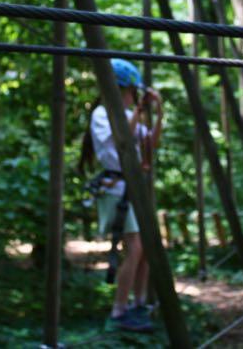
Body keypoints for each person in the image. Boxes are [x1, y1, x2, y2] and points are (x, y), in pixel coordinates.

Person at [89, 58, 163, 332]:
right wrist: (139, 110)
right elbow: (122, 139)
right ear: (122, 90)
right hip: (116, 188)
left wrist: (158, 113)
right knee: (134, 248)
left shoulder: (127, 113)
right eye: (133, 92)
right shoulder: (102, 113)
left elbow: (150, 143)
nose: (135, 97)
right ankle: (119, 311)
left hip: (130, 188)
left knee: (145, 248)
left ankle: (138, 303)